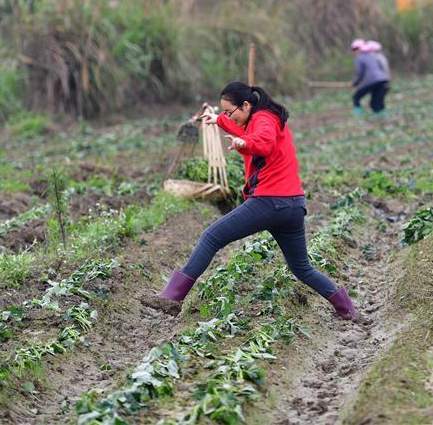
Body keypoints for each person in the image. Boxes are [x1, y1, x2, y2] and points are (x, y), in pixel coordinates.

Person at [141, 82, 360, 320]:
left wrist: (245, 144)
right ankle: (346, 308)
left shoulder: (263, 120)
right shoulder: (261, 117)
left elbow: (262, 141)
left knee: (211, 237)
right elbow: (246, 130)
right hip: (293, 204)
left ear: (246, 105)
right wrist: (218, 120)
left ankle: (172, 296)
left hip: (269, 202)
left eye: (229, 112)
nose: (228, 116)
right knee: (302, 268)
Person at [351, 39, 389, 117]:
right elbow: (381, 67)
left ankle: (358, 115)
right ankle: (383, 116)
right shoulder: (373, 55)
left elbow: (360, 73)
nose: (354, 51)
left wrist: (355, 83)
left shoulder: (359, 58)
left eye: (355, 49)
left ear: (359, 48)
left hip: (372, 82)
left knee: (356, 96)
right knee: (377, 100)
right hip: (383, 80)